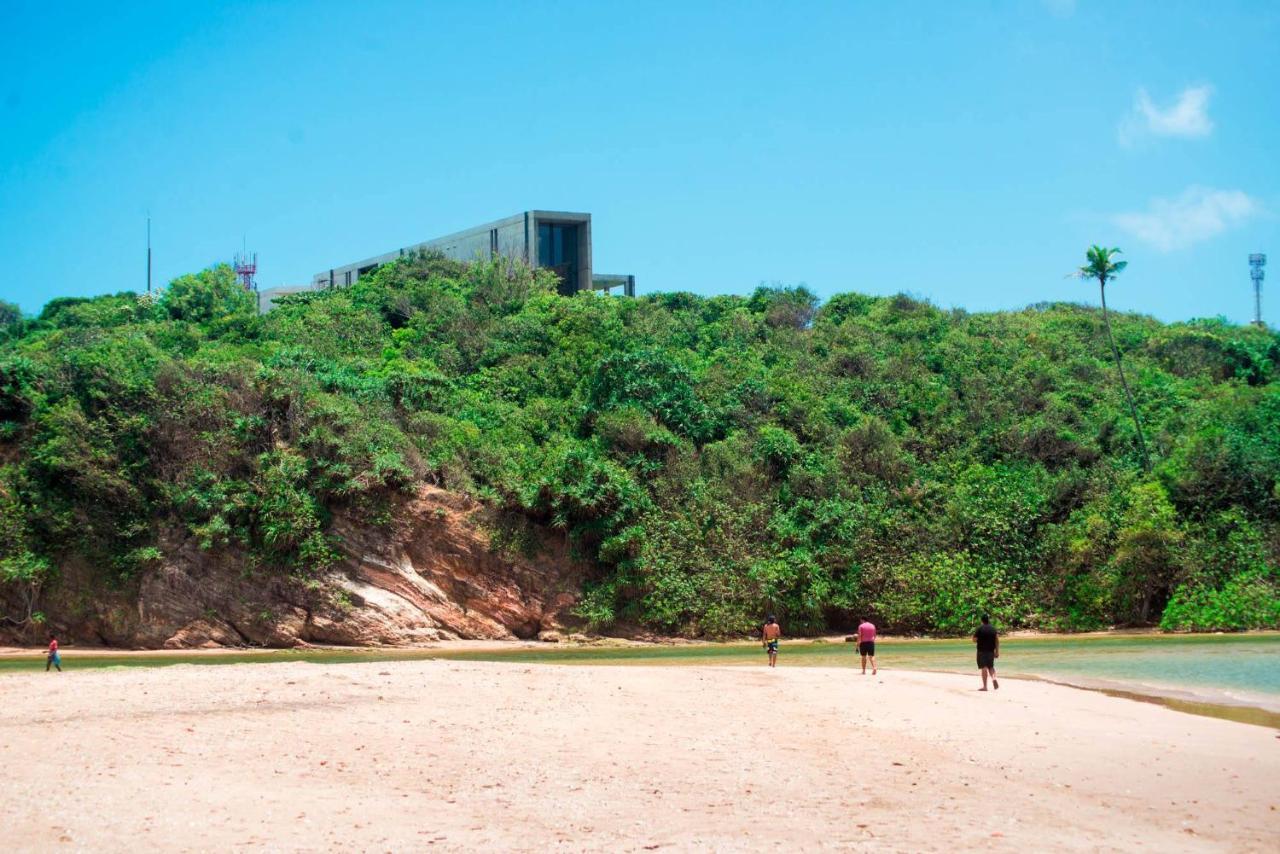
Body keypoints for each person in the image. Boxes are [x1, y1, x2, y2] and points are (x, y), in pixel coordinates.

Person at [973, 615, 998, 690]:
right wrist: (997, 651)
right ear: (988, 620)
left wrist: (979, 639)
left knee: (984, 667)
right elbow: (997, 640)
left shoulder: (979, 629)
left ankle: (985, 687)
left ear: (982, 620)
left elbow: (974, 640)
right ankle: (993, 678)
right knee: (991, 666)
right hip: (991, 651)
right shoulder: (993, 629)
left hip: (981, 651)